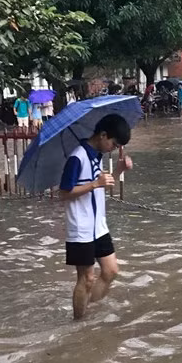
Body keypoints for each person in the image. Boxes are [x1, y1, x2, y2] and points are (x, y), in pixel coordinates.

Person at [59, 114, 133, 320]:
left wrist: (118, 171)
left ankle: (86, 309)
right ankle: (78, 323)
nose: (113, 148)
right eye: (114, 143)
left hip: (99, 226)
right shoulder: (77, 158)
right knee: (87, 279)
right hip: (80, 229)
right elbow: (63, 193)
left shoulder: (95, 156)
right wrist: (94, 184)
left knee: (110, 272)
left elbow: (101, 187)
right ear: (102, 135)